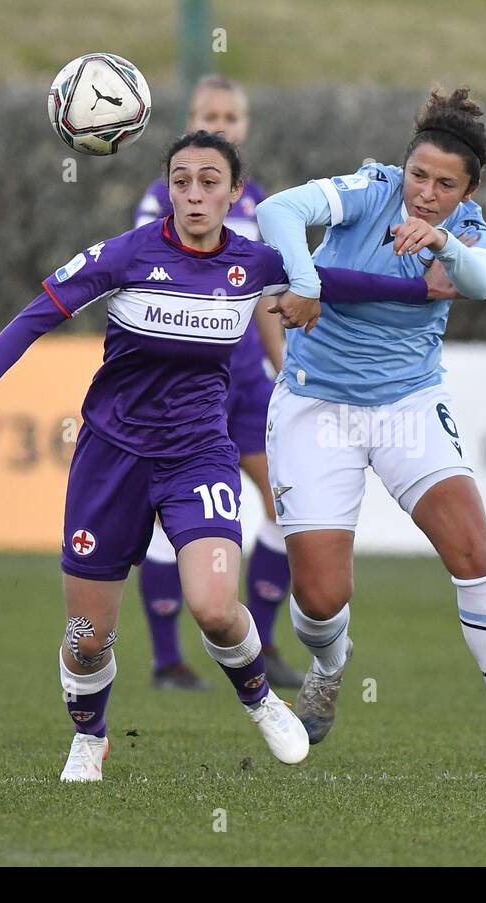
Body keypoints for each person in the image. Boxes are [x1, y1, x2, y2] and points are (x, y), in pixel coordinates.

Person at [0, 131, 451, 781]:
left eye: (209, 181)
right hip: (110, 457)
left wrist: (421, 290)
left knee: (215, 607)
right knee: (87, 639)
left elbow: (339, 282)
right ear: (168, 189)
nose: (194, 193)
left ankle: (261, 700)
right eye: (181, 181)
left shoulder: (252, 265)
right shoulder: (126, 256)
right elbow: (37, 314)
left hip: (197, 455)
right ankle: (90, 738)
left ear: (234, 194)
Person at [256, 87, 486, 774]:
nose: (425, 193)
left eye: (444, 185)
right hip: (315, 404)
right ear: (404, 168)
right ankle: (331, 665)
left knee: (473, 550)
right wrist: (303, 278)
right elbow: (277, 211)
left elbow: (483, 282)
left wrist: (447, 242)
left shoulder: (467, 232)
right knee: (321, 598)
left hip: (408, 405)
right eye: (419, 175)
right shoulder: (369, 190)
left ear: (469, 190)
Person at [133, 75, 302, 691]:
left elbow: (259, 290)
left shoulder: (256, 202)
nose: (223, 124)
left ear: (245, 126)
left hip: (245, 382)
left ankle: (257, 640)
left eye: (233, 115)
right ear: (190, 120)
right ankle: (167, 660)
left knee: (286, 503)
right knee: (166, 521)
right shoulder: (162, 200)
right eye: (212, 113)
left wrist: (285, 366)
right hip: (181, 384)